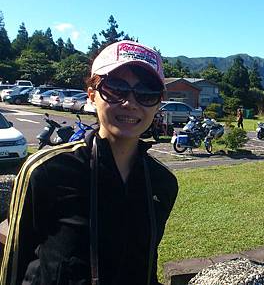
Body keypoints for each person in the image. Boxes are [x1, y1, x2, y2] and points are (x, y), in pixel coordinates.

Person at [0, 41, 178, 284]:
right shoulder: (46, 171)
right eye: (116, 89)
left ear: (158, 104)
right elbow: (14, 268)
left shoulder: (162, 183)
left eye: (146, 94)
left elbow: (145, 265)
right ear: (92, 96)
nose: (130, 103)